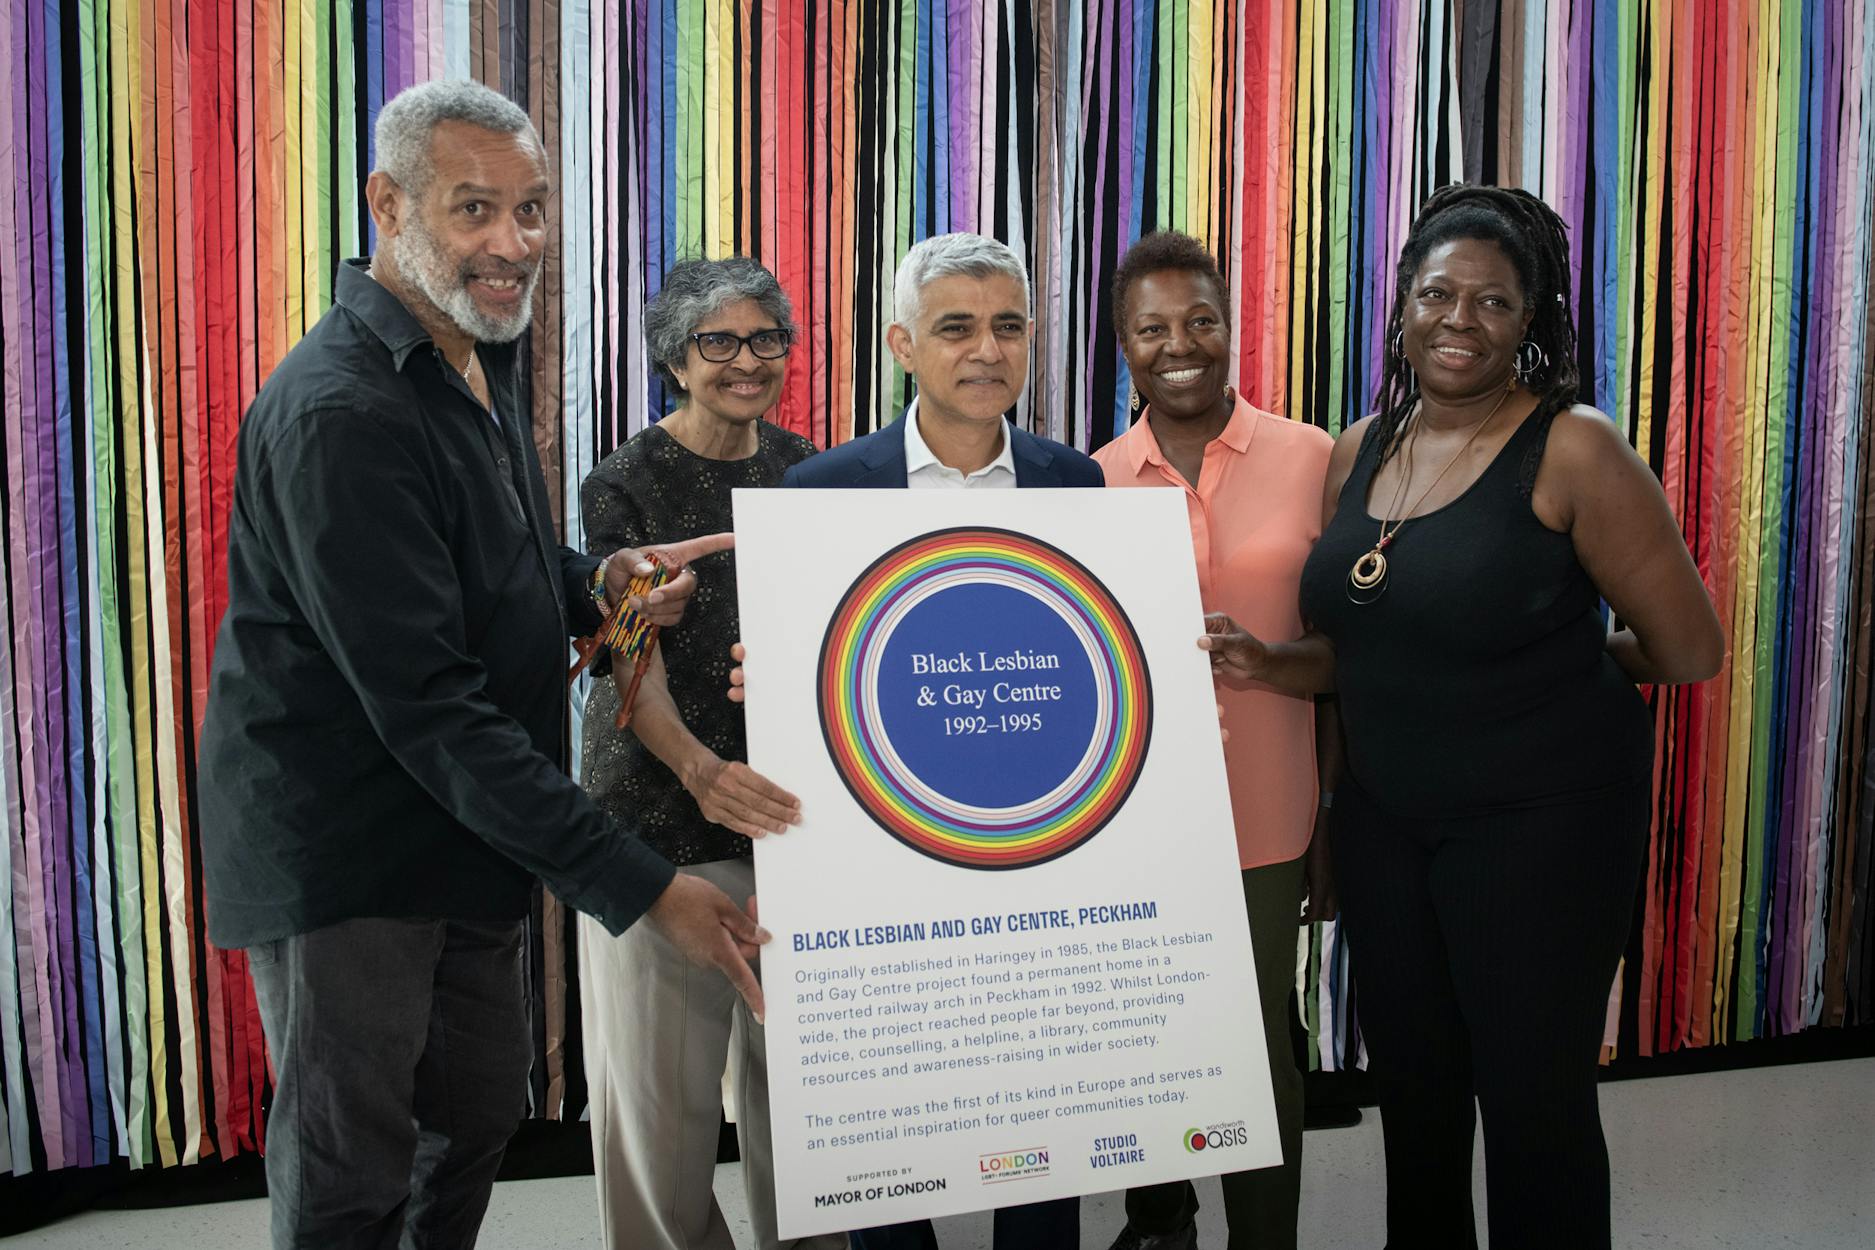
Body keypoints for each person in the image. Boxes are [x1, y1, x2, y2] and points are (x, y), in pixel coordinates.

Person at [197, 80, 769, 1250]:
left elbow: (498, 554)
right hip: (350, 853)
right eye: (474, 209)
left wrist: (597, 585)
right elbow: (430, 706)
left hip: (471, 831)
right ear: (388, 205)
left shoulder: (477, 350)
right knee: (354, 1167)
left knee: (470, 1122)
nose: (512, 243)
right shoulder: (339, 410)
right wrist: (644, 885)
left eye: (532, 208)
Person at [1206, 184, 1724, 1249]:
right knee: (1416, 1088)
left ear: (1529, 319)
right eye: (1438, 294)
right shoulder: (1361, 447)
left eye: (1493, 302)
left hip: (1542, 824)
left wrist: (1552, 662)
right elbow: (1357, 651)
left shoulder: (1573, 447)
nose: (1460, 320)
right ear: (1401, 304)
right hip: (1389, 824)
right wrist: (1263, 662)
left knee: (1532, 1099)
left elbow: (1687, 650)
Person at [753, 231, 1101, 1250]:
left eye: (1008, 326)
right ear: (903, 344)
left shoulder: (1075, 483)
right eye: (956, 327)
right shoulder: (821, 488)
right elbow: (805, 675)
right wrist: (771, 683)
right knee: (887, 1133)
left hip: (1037, 838)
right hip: (881, 847)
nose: (986, 350)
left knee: (1043, 1111)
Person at [574, 257, 840, 1250]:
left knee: (809, 1113)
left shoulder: (813, 472)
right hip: (657, 826)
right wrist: (700, 772)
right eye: (717, 340)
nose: (746, 359)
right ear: (674, 359)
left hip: (792, 824)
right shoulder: (623, 482)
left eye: (766, 337)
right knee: (660, 1114)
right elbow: (623, 662)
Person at [1092, 231, 1335, 1250]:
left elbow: (1357, 647)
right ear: (1123, 345)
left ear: (1230, 328)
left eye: (1200, 320)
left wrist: (1335, 812)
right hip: (1129, 822)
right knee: (1144, 1036)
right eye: (1152, 328)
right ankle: (1162, 1218)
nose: (1179, 344)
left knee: (1256, 1039)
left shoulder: (1313, 457)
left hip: (1270, 811)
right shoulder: (1090, 480)